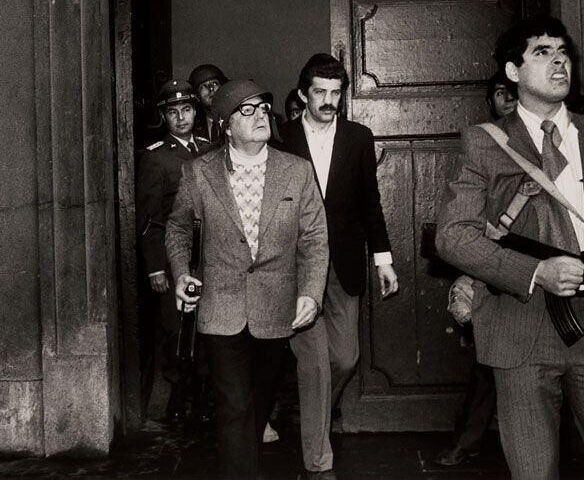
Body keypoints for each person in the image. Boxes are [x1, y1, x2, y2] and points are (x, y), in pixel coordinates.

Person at [436, 15, 584, 480]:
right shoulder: (484, 143)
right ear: (513, 72)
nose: (558, 61)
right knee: (534, 472)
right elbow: (453, 236)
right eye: (542, 52)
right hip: (522, 326)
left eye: (563, 53)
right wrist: (536, 273)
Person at [166, 79, 329, 478]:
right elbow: (178, 228)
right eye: (247, 110)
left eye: (262, 108)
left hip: (276, 309)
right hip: (221, 308)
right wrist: (181, 273)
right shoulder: (198, 173)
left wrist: (310, 291)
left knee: (257, 403)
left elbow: (314, 239)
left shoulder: (297, 171)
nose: (259, 116)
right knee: (235, 404)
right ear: (225, 124)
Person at [280, 53, 399, 479]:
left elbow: (372, 203)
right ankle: (318, 457)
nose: (330, 101)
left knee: (346, 358)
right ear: (303, 94)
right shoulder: (281, 137)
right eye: (321, 93)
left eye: (336, 93)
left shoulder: (358, 137)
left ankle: (309, 413)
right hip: (296, 266)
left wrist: (383, 259)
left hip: (345, 263)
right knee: (312, 363)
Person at [433, 71, 515, 467]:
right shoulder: (482, 145)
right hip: (492, 264)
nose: (509, 101)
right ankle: (467, 440)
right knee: (486, 360)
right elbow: (462, 221)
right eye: (501, 94)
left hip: (542, 264)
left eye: (514, 94)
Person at [136, 79, 210, 421]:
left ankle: (203, 396)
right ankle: (177, 399)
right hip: (173, 254)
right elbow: (150, 218)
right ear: (164, 117)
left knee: (207, 327)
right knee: (176, 328)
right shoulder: (156, 158)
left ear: (196, 112)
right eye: (173, 112)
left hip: (208, 255)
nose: (181, 118)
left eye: (187, 110)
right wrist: (156, 267)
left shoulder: (210, 149)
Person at [188, 64, 228, 143]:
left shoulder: (236, 119)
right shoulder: (191, 127)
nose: (211, 89)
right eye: (203, 86)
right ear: (197, 95)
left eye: (215, 83)